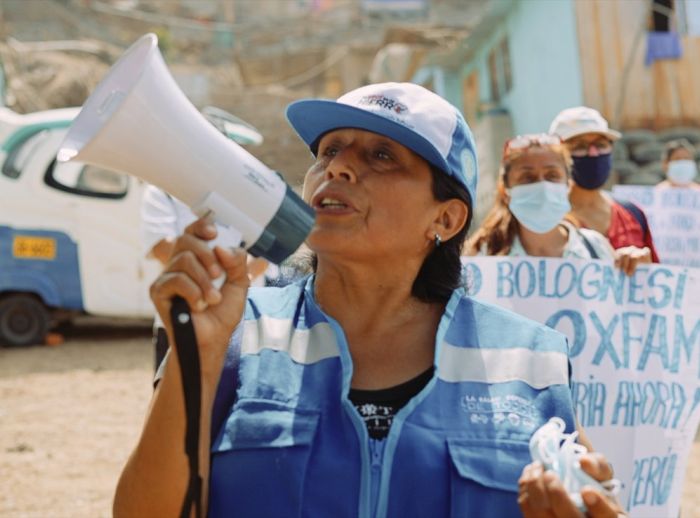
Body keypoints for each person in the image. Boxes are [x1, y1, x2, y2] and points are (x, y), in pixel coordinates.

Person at [115, 83, 622, 517]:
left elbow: (585, 493)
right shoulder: (232, 334)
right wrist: (195, 358)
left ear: (444, 220)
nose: (339, 168)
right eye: (329, 151)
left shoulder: (531, 358)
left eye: (382, 155)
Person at [140, 185, 268, 370]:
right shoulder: (161, 189)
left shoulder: (251, 184)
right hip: (181, 319)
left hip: (243, 321)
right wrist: (228, 273)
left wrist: (235, 283)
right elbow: (161, 247)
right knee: (179, 394)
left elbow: (267, 253)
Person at [465, 133, 615, 260]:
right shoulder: (480, 256)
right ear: (506, 191)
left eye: (552, 175)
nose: (542, 186)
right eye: (527, 177)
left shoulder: (595, 248)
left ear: (568, 185)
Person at [549, 106, 660, 274]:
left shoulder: (633, 214)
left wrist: (645, 268)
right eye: (580, 146)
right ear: (558, 155)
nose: (593, 154)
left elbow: (660, 280)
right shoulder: (546, 219)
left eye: (600, 145)